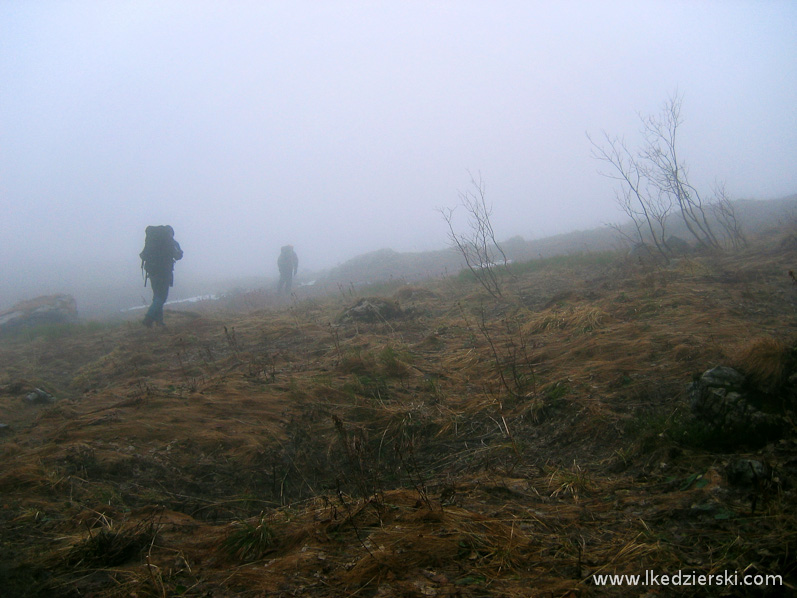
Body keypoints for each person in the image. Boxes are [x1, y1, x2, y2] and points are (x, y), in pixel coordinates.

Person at [139, 225, 183, 327]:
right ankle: (148, 318)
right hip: (164, 272)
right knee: (162, 297)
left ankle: (159, 322)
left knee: (157, 296)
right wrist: (179, 253)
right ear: (170, 233)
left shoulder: (151, 241)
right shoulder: (171, 242)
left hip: (152, 271)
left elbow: (143, 255)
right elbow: (178, 256)